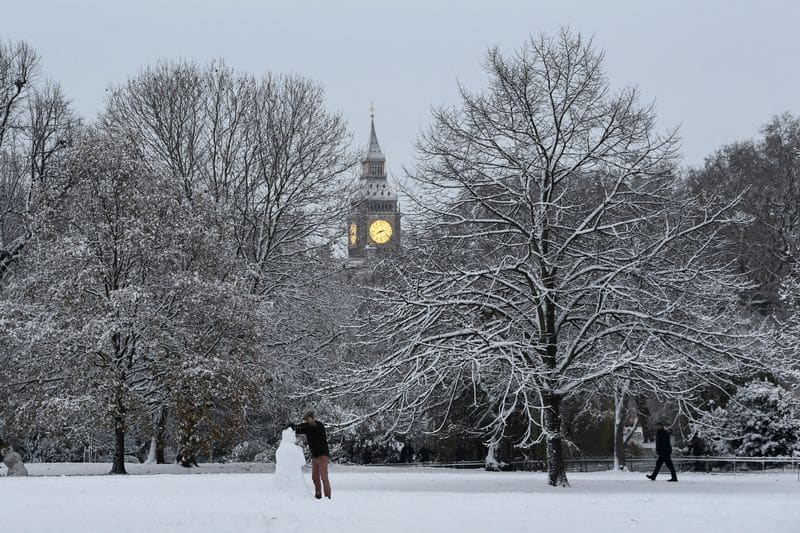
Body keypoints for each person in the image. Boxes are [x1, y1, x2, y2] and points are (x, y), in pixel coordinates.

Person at [292, 411, 331, 499]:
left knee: (324, 476)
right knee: (315, 477)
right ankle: (318, 495)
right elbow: (299, 429)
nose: (306, 421)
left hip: (323, 455)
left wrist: (300, 425)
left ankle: (328, 496)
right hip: (314, 456)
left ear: (312, 417)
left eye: (307, 419)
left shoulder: (319, 425)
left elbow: (311, 426)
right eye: (305, 420)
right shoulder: (307, 428)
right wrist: (293, 427)